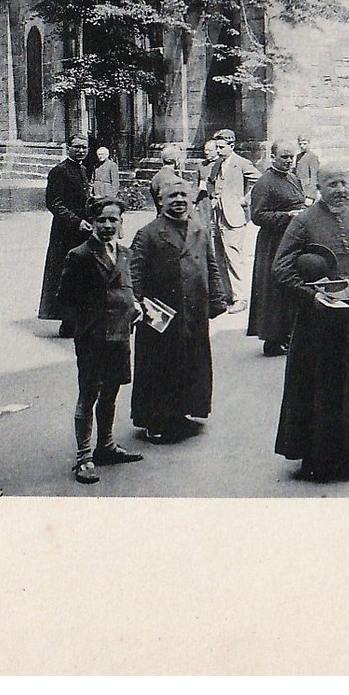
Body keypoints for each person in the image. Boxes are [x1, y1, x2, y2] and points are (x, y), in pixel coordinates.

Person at [271, 165, 349, 481]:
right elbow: (281, 269)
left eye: (344, 183)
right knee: (324, 386)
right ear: (320, 187)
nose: (340, 189)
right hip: (320, 319)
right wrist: (312, 296)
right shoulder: (304, 222)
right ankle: (319, 455)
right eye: (332, 184)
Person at [129, 178, 230, 443]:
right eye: (172, 197)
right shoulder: (148, 233)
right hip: (161, 313)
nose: (179, 201)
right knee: (160, 365)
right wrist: (137, 304)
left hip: (194, 308)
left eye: (184, 196)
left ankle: (182, 412)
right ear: (160, 201)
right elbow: (134, 274)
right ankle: (155, 419)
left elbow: (211, 265)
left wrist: (217, 299)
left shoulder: (198, 228)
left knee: (190, 361)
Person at [56, 198, 145, 484]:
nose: (107, 225)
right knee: (89, 394)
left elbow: (129, 287)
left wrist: (135, 306)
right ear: (92, 223)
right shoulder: (79, 255)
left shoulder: (125, 253)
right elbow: (65, 299)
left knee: (111, 392)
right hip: (93, 338)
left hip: (120, 335)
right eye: (102, 220)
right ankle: (84, 457)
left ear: (121, 223)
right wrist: (89, 319)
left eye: (113, 220)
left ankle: (105, 446)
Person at [247, 142, 308, 356]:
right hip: (273, 242)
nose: (289, 161)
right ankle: (273, 339)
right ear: (272, 157)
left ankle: (289, 334)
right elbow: (257, 216)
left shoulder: (293, 178)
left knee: (291, 287)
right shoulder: (265, 183)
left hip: (293, 240)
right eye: (284, 157)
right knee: (274, 289)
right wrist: (287, 216)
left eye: (291, 157)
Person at [38, 136, 92, 330]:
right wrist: (76, 222)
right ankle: (67, 322)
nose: (81, 151)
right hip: (65, 233)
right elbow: (54, 203)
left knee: (82, 275)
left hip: (83, 231)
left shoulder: (83, 169)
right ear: (68, 148)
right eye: (77, 147)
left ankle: (79, 318)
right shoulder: (59, 171)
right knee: (65, 274)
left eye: (84, 147)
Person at [209, 129, 260, 310]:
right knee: (219, 257)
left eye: (221, 147)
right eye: (216, 147)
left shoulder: (241, 163)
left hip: (234, 218)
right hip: (218, 217)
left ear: (232, 145)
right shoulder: (217, 164)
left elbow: (259, 181)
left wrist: (245, 199)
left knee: (234, 258)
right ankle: (227, 295)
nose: (218, 150)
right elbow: (210, 182)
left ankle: (240, 299)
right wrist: (213, 196)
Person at [294, 135, 320, 204]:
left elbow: (314, 177)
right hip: (299, 190)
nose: (302, 146)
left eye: (304, 144)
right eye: (300, 144)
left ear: (309, 143)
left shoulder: (312, 157)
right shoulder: (298, 156)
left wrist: (311, 196)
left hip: (308, 191)